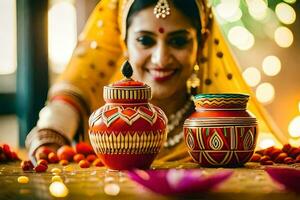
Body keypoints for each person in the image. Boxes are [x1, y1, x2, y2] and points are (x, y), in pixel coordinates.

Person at [25, 0, 287, 163]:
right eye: (145, 40)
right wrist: (50, 136)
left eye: (178, 41)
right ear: (123, 43)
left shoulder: (220, 129)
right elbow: (70, 100)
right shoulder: (102, 117)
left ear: (202, 43)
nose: (161, 58)